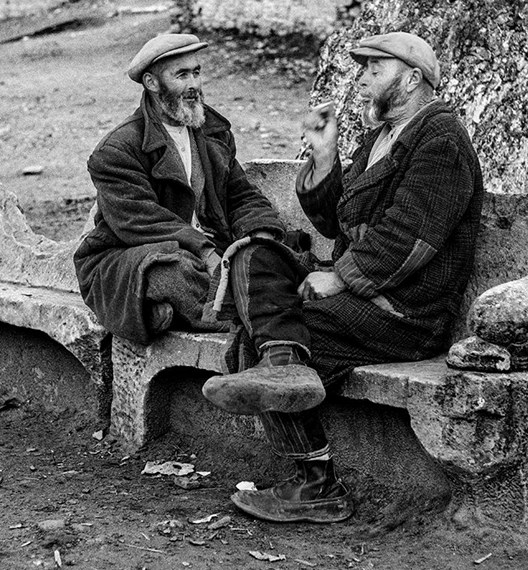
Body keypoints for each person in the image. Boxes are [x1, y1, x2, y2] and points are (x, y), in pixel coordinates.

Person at [200, 31, 485, 523]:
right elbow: (338, 222)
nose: (364, 78)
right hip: (365, 298)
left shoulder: (440, 138)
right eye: (364, 68)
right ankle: (282, 366)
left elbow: (410, 237)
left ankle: (315, 484)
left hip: (404, 313)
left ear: (412, 78)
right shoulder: (382, 138)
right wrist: (327, 157)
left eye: (376, 69)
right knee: (255, 256)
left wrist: (343, 277)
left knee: (268, 329)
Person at [73, 32, 323, 429]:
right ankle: (260, 312)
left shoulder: (212, 131)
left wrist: (262, 233)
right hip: (129, 255)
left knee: (275, 254)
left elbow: (241, 195)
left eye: (197, 73)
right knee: (172, 272)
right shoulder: (117, 150)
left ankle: (217, 307)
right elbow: (138, 220)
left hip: (214, 255)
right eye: (180, 75)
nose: (193, 85)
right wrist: (206, 251)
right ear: (152, 83)